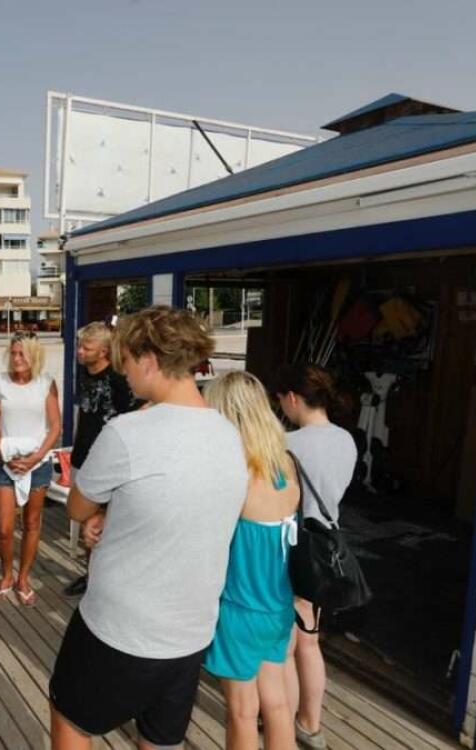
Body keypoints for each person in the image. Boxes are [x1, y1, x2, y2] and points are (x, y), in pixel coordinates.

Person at [49, 306, 247, 750]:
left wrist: (101, 514)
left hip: (120, 626)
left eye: (127, 361)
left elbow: (79, 508)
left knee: (71, 721)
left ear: (149, 360)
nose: (124, 372)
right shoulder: (228, 434)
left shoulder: (128, 432)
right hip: (191, 629)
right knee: (160, 740)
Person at [204, 372, 302, 750]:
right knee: (276, 703)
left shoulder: (233, 475)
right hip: (277, 606)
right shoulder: (285, 467)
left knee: (243, 713)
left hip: (239, 608)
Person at [274, 364, 357, 750]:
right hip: (327, 549)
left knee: (287, 647)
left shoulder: (288, 444)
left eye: (281, 401)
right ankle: (311, 723)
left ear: (292, 398)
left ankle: (284, 731)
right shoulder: (347, 440)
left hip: (294, 549)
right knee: (310, 641)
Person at [0, 332, 62, 605]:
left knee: (31, 523)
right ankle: (6, 575)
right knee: (5, 528)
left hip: (37, 464)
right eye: (14, 353)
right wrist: (3, 453)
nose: (17, 359)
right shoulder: (1, 382)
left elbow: (55, 426)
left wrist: (36, 457)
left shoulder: (46, 382)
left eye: (23, 353)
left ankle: (23, 578)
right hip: (5, 463)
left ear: (34, 355)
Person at [63, 321, 138, 597]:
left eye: (86, 347)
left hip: (110, 462)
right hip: (83, 456)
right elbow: (84, 414)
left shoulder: (120, 380)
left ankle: (106, 576)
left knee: (108, 520)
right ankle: (91, 573)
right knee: (87, 520)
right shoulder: (84, 373)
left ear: (104, 351)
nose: (79, 352)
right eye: (79, 346)